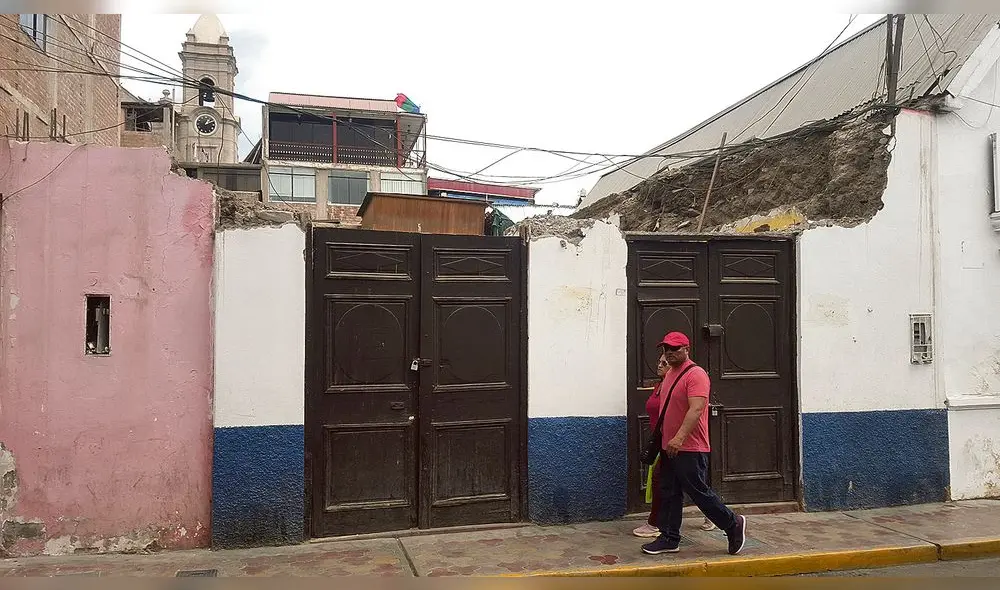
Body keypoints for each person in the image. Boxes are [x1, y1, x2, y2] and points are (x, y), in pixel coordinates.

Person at [641, 332, 746, 556]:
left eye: (675, 348)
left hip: (689, 447)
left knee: (698, 492)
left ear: (687, 349)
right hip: (669, 446)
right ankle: (669, 538)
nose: (669, 352)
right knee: (669, 492)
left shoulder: (696, 374)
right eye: (666, 348)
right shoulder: (670, 375)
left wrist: (679, 437)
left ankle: (732, 523)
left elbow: (696, 409)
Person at [632, 356, 716, 538]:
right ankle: (668, 533)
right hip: (663, 441)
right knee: (670, 484)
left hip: (682, 444)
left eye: (665, 364)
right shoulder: (660, 386)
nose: (660, 366)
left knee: (687, 484)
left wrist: (678, 437)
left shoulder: (691, 378)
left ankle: (727, 520)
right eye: (659, 362)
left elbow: (695, 409)